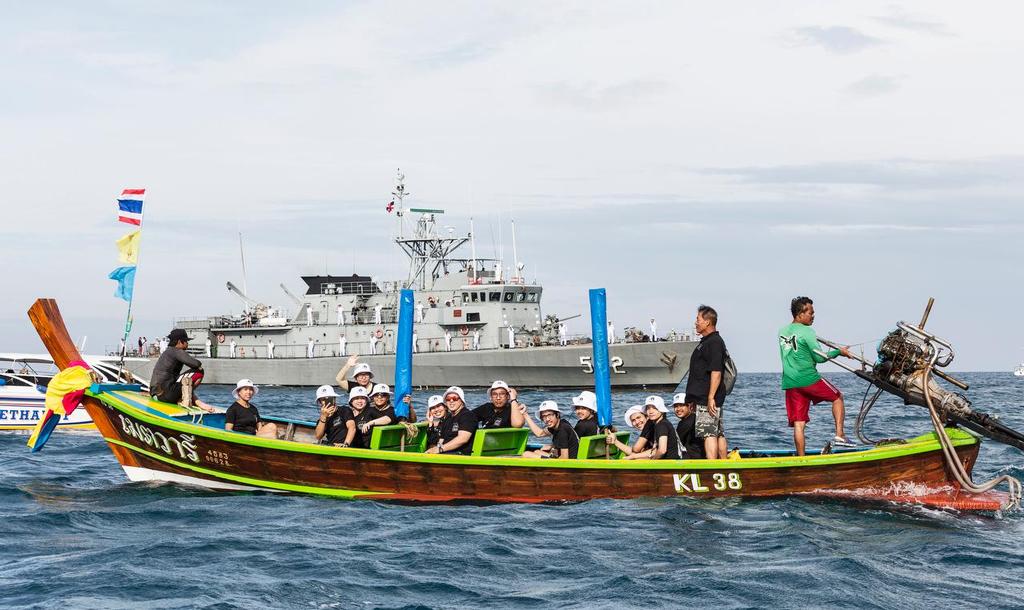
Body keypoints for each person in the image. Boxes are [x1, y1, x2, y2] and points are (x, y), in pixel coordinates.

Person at [779, 296, 854, 455]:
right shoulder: (807, 331)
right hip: (808, 378)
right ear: (800, 314)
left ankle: (801, 459)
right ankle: (840, 434)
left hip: (790, 382)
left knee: (799, 424)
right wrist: (839, 352)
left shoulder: (782, 331)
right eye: (810, 313)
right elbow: (820, 358)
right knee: (837, 397)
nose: (813, 316)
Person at [684, 304, 729, 459]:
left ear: (707, 322)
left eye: (698, 319)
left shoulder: (714, 342)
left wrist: (710, 397)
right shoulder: (706, 342)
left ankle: (713, 467)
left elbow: (716, 371)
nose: (695, 323)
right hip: (702, 397)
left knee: (709, 432)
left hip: (707, 397)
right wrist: (691, 398)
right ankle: (723, 464)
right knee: (717, 432)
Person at [149, 329, 215, 412]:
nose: (187, 344)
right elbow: (196, 364)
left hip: (156, 394)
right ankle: (192, 400)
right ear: (180, 342)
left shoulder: (168, 351)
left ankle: (186, 398)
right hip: (165, 395)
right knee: (199, 371)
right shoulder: (176, 351)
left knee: (183, 379)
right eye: (186, 341)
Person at [425, 386, 478, 455]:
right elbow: (441, 441)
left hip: (461, 455)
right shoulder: (448, 418)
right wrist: (435, 449)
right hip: (448, 453)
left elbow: (463, 439)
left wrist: (439, 449)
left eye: (455, 398)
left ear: (461, 400)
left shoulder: (467, 415)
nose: (451, 401)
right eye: (448, 399)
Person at [671, 393, 704, 458]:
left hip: (694, 457)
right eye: (676, 406)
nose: (678, 409)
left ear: (689, 406)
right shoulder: (694, 418)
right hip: (699, 454)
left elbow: (675, 442)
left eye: (682, 405)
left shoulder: (687, 422)